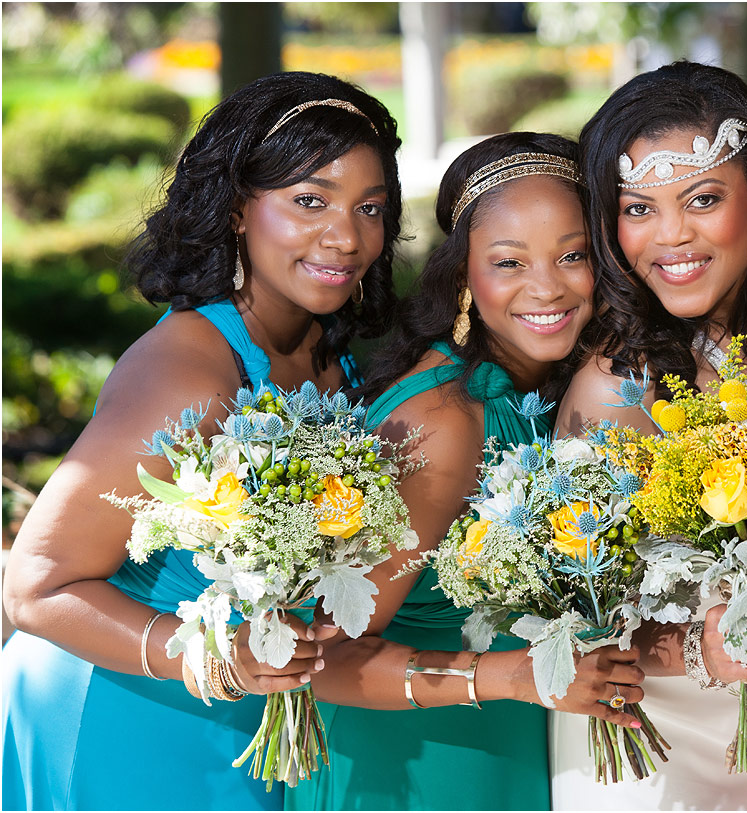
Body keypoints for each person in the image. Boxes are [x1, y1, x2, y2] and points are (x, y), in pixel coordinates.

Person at [2, 71, 402, 810]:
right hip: (122, 718)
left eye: (370, 208)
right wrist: (216, 655)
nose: (347, 237)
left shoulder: (333, 354)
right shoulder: (186, 372)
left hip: (243, 721)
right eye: (309, 200)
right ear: (238, 208)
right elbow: (35, 584)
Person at [284, 132, 645, 812]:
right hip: (412, 764)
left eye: (573, 255)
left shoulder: (550, 389)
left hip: (508, 740)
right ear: (463, 281)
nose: (547, 286)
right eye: (509, 262)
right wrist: (511, 675)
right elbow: (317, 657)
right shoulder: (448, 422)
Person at [551, 61, 747, 811]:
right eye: (639, 209)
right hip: (665, 761)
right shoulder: (615, 386)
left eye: (701, 199)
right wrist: (705, 647)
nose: (672, 236)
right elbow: (577, 632)